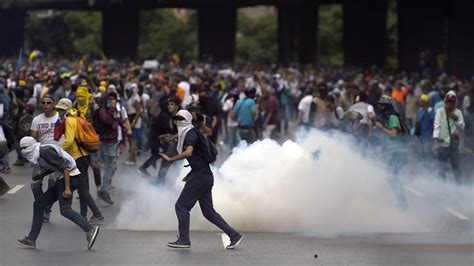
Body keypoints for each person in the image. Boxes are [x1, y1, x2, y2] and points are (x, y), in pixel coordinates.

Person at [160, 110, 243, 249]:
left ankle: (184, 239)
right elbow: (196, 158)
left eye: (180, 118)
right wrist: (191, 172)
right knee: (208, 212)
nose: (177, 121)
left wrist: (170, 159)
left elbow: (189, 152)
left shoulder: (190, 133)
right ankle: (234, 235)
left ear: (187, 119)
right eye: (176, 119)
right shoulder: (187, 132)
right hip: (203, 175)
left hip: (200, 176)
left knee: (181, 206)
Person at [16, 136, 99, 250]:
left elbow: (64, 167)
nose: (23, 151)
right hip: (63, 178)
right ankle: (31, 239)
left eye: (24, 148)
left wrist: (67, 189)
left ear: (31, 146)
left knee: (65, 209)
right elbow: (55, 166)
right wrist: (41, 175)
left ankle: (90, 229)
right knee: (39, 204)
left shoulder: (45, 151)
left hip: (69, 177)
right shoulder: (40, 153)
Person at [55, 98, 104, 224]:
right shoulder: (78, 116)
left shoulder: (70, 120)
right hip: (84, 156)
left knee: (82, 188)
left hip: (78, 157)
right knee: (82, 187)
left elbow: (70, 141)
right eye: (58, 109)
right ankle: (84, 214)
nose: (58, 111)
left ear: (66, 109)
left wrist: (56, 150)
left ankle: (97, 214)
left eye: (60, 109)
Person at [374, 95, 409, 209]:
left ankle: (402, 203)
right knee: (391, 177)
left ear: (386, 106)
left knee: (392, 177)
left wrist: (381, 128)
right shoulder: (389, 116)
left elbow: (393, 134)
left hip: (398, 151)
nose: (380, 107)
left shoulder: (393, 117)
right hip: (395, 151)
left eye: (382, 105)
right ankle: (401, 202)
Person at [30, 94, 60, 222]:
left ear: (54, 104)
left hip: (58, 155)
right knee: (35, 185)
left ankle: (47, 209)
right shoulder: (37, 119)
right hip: (41, 155)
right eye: (44, 102)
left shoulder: (61, 118)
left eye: (49, 102)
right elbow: (33, 139)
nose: (46, 105)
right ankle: (42, 205)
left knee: (53, 182)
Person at [433, 90, 465, 184]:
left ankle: (458, 187)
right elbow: (437, 125)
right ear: (445, 101)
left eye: (452, 102)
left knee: (456, 167)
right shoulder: (440, 111)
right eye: (448, 101)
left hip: (453, 144)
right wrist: (435, 141)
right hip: (442, 143)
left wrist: (454, 117)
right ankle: (442, 187)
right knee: (441, 167)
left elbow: (462, 126)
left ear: (455, 102)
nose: (450, 104)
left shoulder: (458, 113)